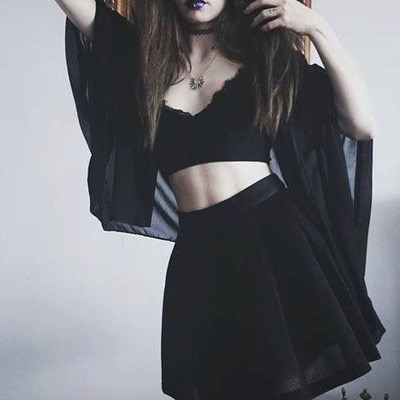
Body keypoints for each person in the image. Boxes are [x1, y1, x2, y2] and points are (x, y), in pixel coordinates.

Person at [58, 0, 386, 398]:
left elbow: (361, 125)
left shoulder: (264, 57)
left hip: (272, 243)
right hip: (199, 254)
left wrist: (318, 28)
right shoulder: (139, 59)